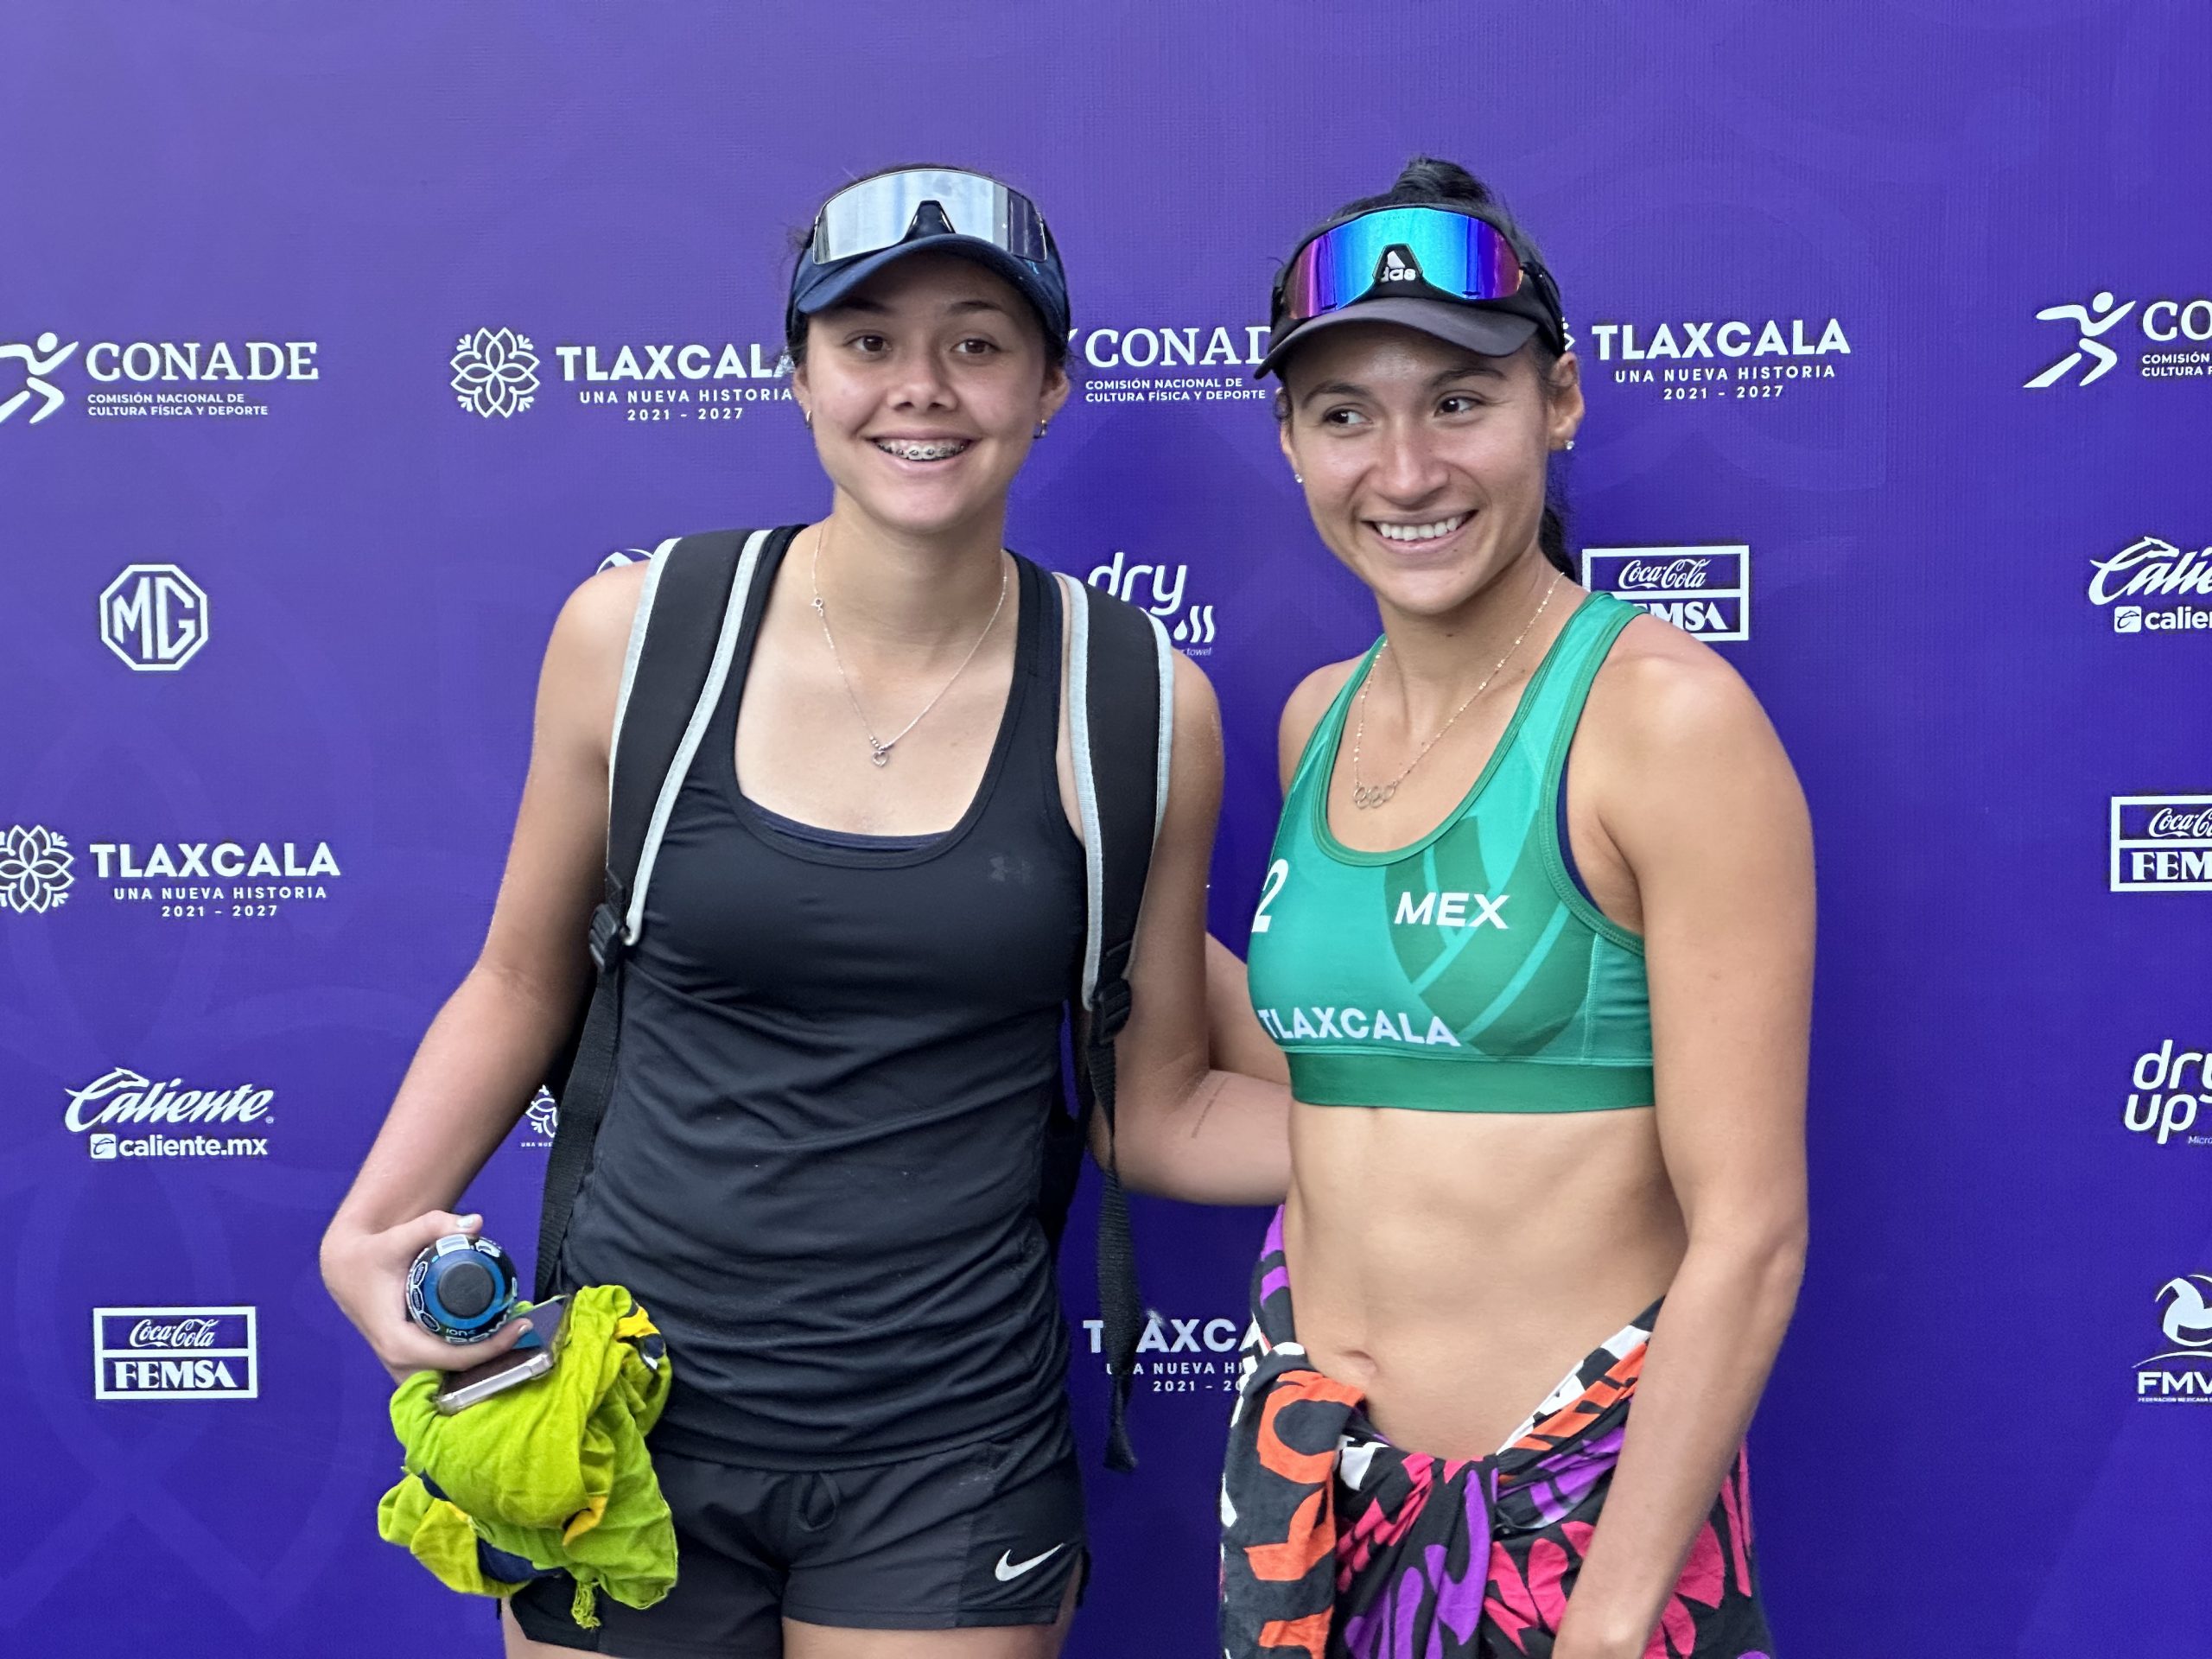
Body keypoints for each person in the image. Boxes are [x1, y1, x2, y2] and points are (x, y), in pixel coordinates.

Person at [320, 165, 1287, 1659]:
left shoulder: (1143, 703)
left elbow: (1149, 1106)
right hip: (623, 1417)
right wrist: (371, 1220)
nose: (924, 389)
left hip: (949, 1442)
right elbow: (521, 982)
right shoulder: (637, 637)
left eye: (978, 342)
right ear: (799, 377)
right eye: (868, 341)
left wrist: (1464, 1151)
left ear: (1050, 387)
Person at [1211, 159, 1811, 1659]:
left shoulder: (1663, 720)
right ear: (1291, 443)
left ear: (1559, 401)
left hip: (1574, 1535)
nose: (1405, 470)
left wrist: (1607, 1624)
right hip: (1316, 1513)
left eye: (1459, 401)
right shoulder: (1311, 723)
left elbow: (1751, 1229)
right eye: (1345, 413)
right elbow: (1346, 1106)